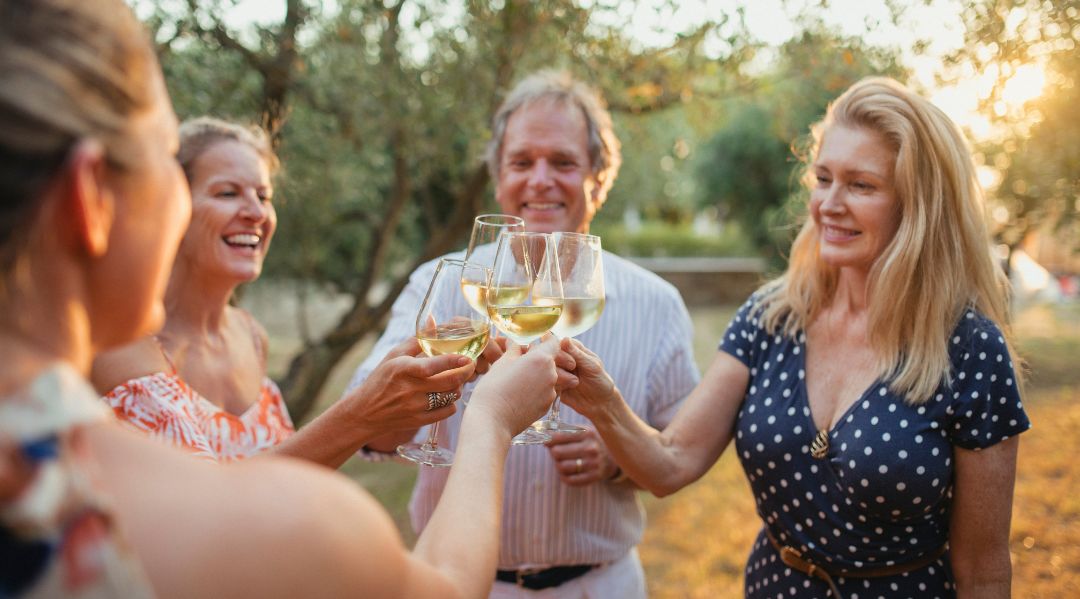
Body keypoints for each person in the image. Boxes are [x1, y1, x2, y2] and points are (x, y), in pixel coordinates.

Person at [0, 1, 569, 597]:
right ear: (89, 198)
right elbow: (448, 588)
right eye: (163, 159)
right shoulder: (281, 526)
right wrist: (492, 420)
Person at [561, 77, 1030, 598]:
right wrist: (603, 403)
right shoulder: (772, 319)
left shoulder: (969, 349)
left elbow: (983, 568)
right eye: (823, 178)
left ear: (917, 206)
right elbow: (671, 462)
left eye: (861, 185)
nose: (829, 203)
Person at [349, 70, 700, 597]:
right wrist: (429, 387)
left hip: (599, 586)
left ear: (598, 180)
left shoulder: (657, 303)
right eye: (522, 162)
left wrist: (618, 462)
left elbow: (678, 455)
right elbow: (367, 431)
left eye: (563, 162)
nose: (540, 180)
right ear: (498, 178)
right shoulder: (444, 285)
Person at [90, 116, 482, 466]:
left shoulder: (250, 335)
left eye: (263, 196)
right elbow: (207, 512)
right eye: (228, 193)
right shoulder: (121, 343)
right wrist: (361, 412)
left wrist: (406, 400)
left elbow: (291, 474)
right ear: (170, 204)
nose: (256, 213)